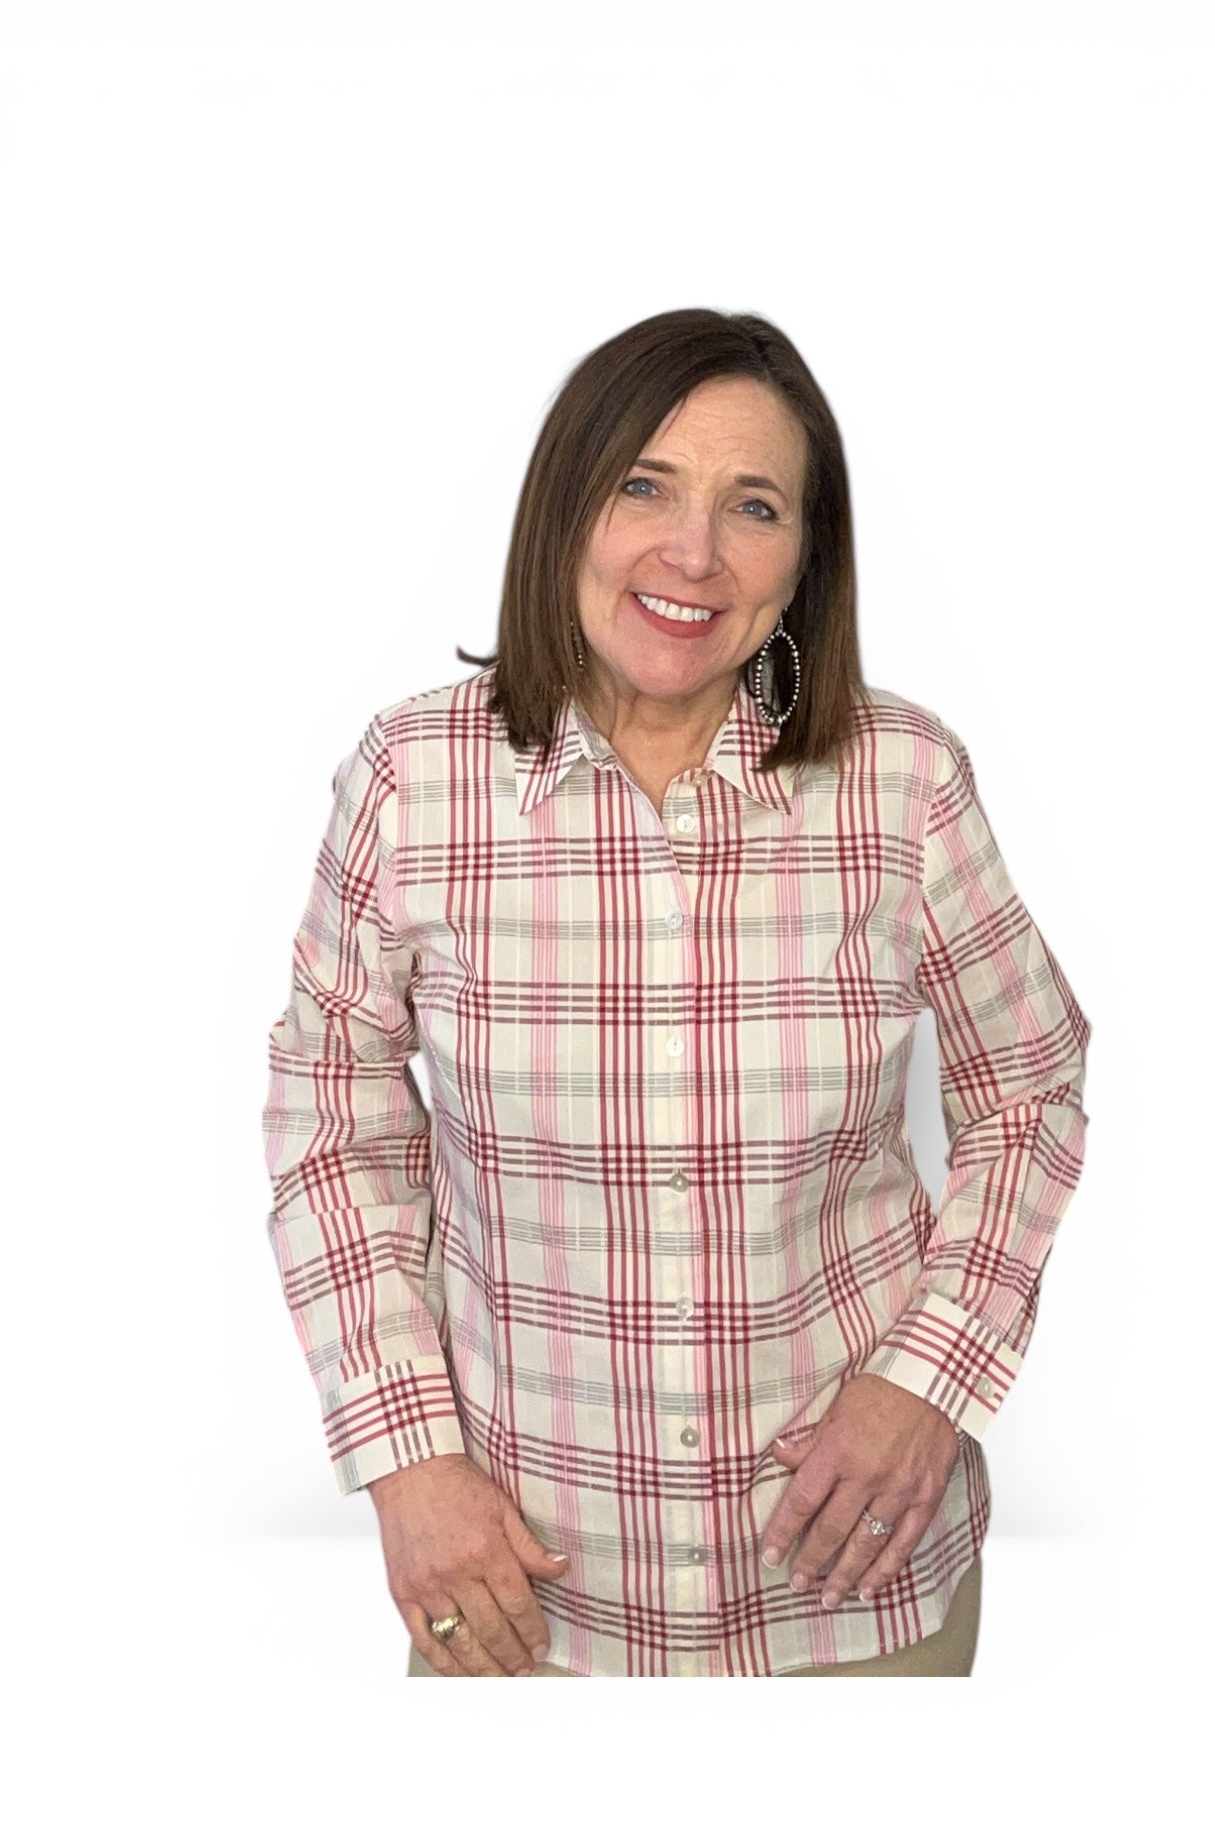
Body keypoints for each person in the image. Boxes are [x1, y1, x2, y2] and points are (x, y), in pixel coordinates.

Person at [260, 307, 1091, 1678]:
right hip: (520, 1590)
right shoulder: (414, 781)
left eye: (753, 505)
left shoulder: (905, 782)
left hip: (855, 1588)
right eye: (644, 485)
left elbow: (1031, 1089)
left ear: (805, 556)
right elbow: (331, 1121)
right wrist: (406, 1462)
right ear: (565, 507)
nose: (693, 554)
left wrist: (929, 1383)